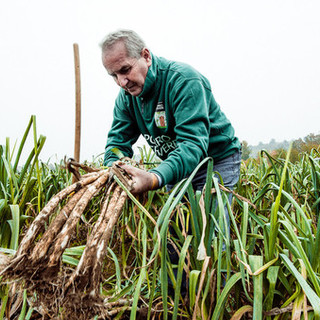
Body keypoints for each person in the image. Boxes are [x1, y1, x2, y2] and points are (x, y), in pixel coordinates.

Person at [101, 29, 242, 195]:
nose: (121, 82)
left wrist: (155, 178)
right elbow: (117, 143)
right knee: (176, 219)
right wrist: (113, 167)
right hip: (177, 163)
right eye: (114, 75)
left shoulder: (184, 81)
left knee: (211, 219)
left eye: (125, 70)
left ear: (146, 56)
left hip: (216, 160)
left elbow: (192, 145)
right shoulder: (126, 98)